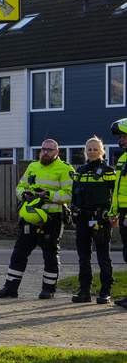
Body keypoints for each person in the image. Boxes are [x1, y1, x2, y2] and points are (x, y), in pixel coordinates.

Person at [0, 138, 73, 299]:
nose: (45, 152)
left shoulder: (65, 169)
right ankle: (10, 288)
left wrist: (48, 195)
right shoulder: (32, 166)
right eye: (43, 149)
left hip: (52, 218)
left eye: (50, 150)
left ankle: (48, 289)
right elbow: (20, 186)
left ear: (57, 152)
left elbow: (69, 194)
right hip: (30, 216)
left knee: (50, 254)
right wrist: (24, 194)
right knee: (19, 253)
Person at [69, 136, 117, 303]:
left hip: (100, 218)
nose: (92, 151)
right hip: (82, 218)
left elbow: (115, 196)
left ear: (102, 151)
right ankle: (84, 291)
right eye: (89, 149)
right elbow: (74, 194)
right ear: (85, 151)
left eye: (95, 149)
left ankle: (105, 291)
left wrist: (112, 215)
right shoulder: (80, 171)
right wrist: (73, 210)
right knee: (83, 256)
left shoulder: (108, 171)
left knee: (103, 256)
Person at [110, 118, 127, 308]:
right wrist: (114, 212)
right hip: (122, 214)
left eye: (123, 136)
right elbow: (118, 190)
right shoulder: (123, 159)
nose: (120, 141)